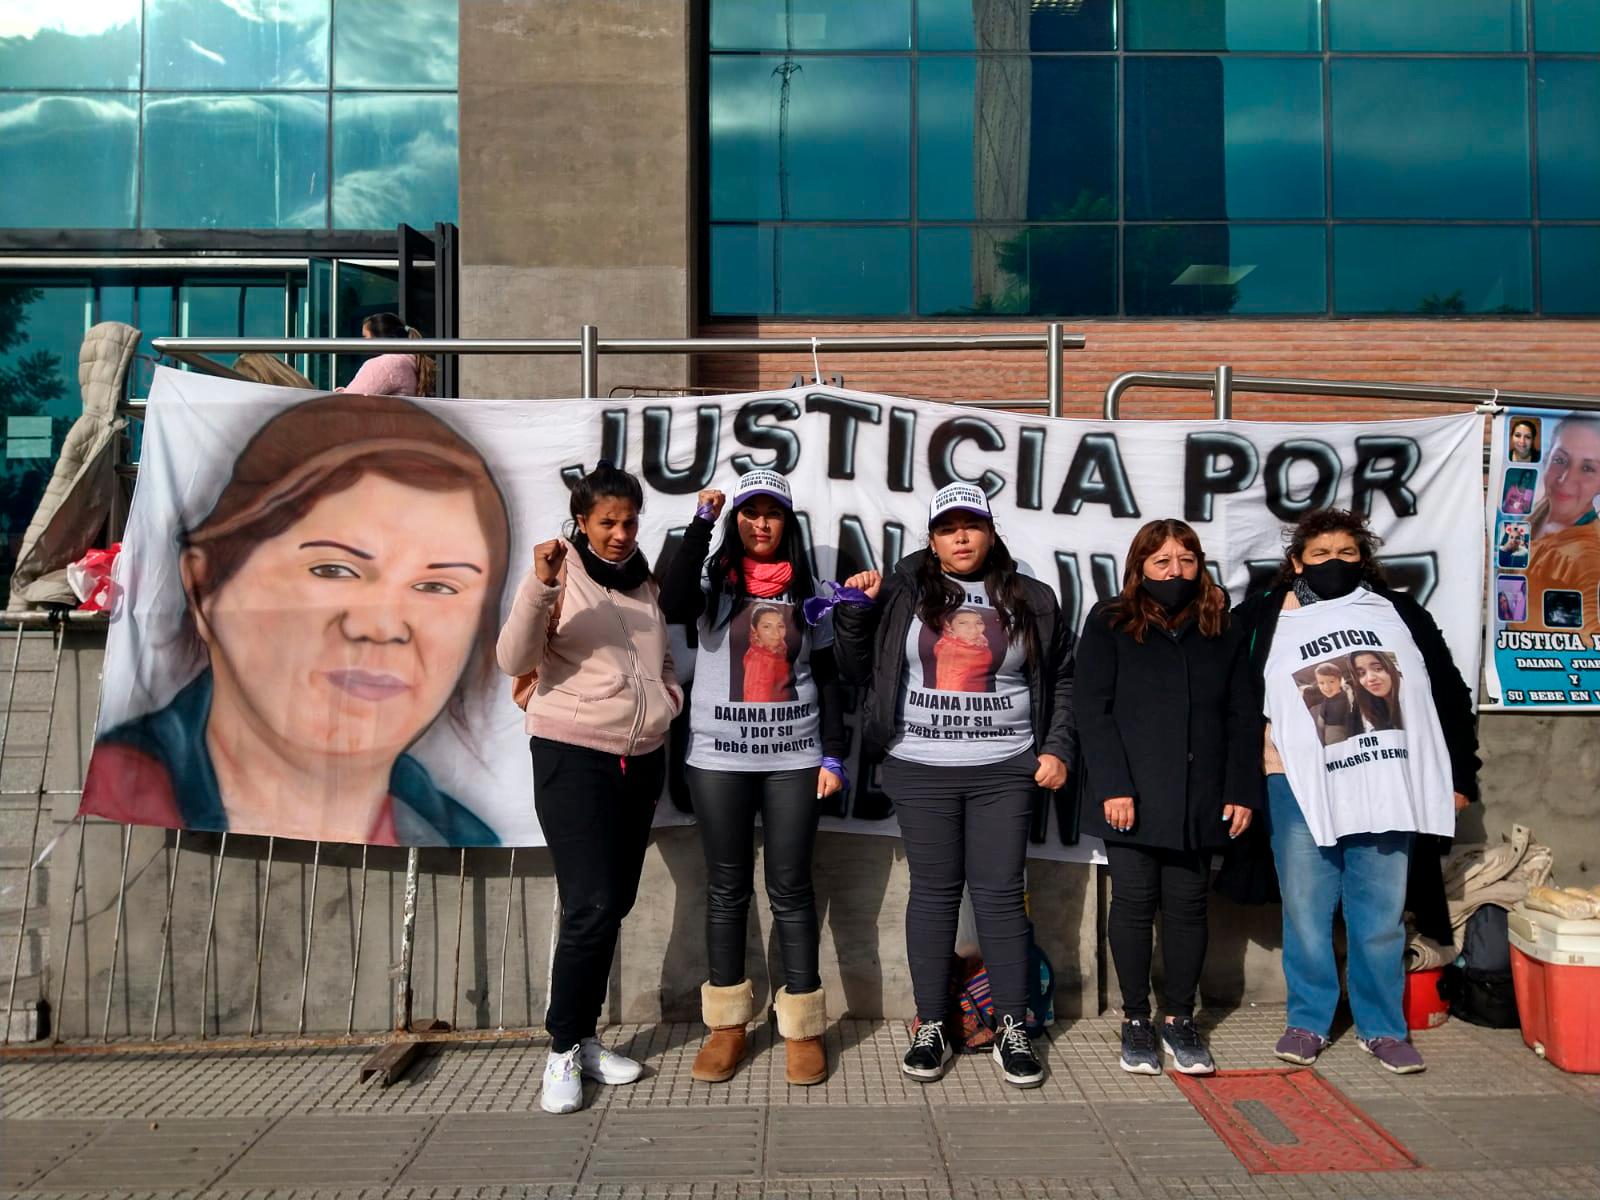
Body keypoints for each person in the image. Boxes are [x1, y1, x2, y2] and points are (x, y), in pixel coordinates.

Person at [81, 393, 508, 846]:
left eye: (438, 587)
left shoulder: (465, 838)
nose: (383, 628)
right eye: (333, 570)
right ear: (204, 587)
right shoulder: (129, 787)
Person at [831, 482, 1074, 1089]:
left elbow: (1063, 677)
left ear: (990, 532)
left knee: (1000, 896)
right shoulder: (901, 591)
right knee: (935, 895)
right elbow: (855, 668)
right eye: (947, 528)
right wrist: (854, 613)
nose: (961, 538)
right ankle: (933, 1024)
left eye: (972, 526)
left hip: (1004, 769)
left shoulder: (1032, 598)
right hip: (920, 766)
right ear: (933, 540)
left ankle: (1013, 1026)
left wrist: (1057, 747)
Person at [1232, 509, 1479, 1076]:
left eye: (1347, 553)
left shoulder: (1398, 613)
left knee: (1381, 914)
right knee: (1306, 910)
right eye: (1320, 554)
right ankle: (1308, 1021)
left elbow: (1447, 692)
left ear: (1363, 559)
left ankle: (1382, 1029)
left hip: (1386, 782)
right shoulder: (1262, 616)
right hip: (1296, 783)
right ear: (1297, 562)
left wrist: (1461, 776)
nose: (1334, 563)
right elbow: (1230, 694)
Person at [497, 462, 683, 1114]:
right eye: (608, 522)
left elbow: (659, 656)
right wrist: (542, 585)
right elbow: (514, 658)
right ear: (582, 521)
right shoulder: (559, 575)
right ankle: (560, 1051)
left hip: (642, 759)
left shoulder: (644, 583)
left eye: (629, 522)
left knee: (615, 902)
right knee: (592, 904)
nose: (621, 534)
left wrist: (667, 696)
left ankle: (583, 1037)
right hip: (573, 756)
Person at [659, 469, 846, 1087]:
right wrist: (701, 524)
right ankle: (727, 1026)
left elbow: (829, 676)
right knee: (726, 890)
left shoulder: (811, 592)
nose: (760, 524)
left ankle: (803, 1028)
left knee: (791, 889)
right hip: (720, 758)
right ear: (735, 520)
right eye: (750, 513)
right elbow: (672, 602)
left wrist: (833, 755)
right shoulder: (713, 582)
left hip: (794, 758)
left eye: (772, 513)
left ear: (787, 523)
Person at [1074, 519, 1260, 1077]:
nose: (1175, 571)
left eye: (1186, 560)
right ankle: (1136, 1019)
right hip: (1129, 795)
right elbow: (1092, 710)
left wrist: (1241, 789)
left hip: (1201, 795)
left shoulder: (1220, 625)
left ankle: (1180, 1018)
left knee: (1188, 907)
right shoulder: (1110, 620)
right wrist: (1114, 785)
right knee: (1133, 904)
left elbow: (1243, 714)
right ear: (1140, 568)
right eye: (1162, 561)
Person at [1522, 416, 1600, 639]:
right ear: (1546, 458)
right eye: (1560, 459)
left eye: (1587, 468)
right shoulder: (1538, 514)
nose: (1566, 478)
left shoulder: (1586, 557)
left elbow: (1593, 639)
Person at [336, 312, 436, 397]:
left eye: (365, 337)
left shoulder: (384, 365)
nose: (362, 342)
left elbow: (349, 400)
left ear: (379, 337)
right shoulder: (408, 363)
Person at [1304, 663, 1362, 746]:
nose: (1326, 687)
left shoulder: (1346, 699)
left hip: (1339, 734)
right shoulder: (1327, 697)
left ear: (1340, 681)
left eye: (1331, 682)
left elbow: (1352, 722)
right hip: (1327, 732)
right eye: (1321, 683)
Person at [1349, 650, 1404, 731]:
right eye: (1362, 673)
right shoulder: (1369, 705)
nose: (1370, 678)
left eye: (1378, 669)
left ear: (1390, 667)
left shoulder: (1412, 696)